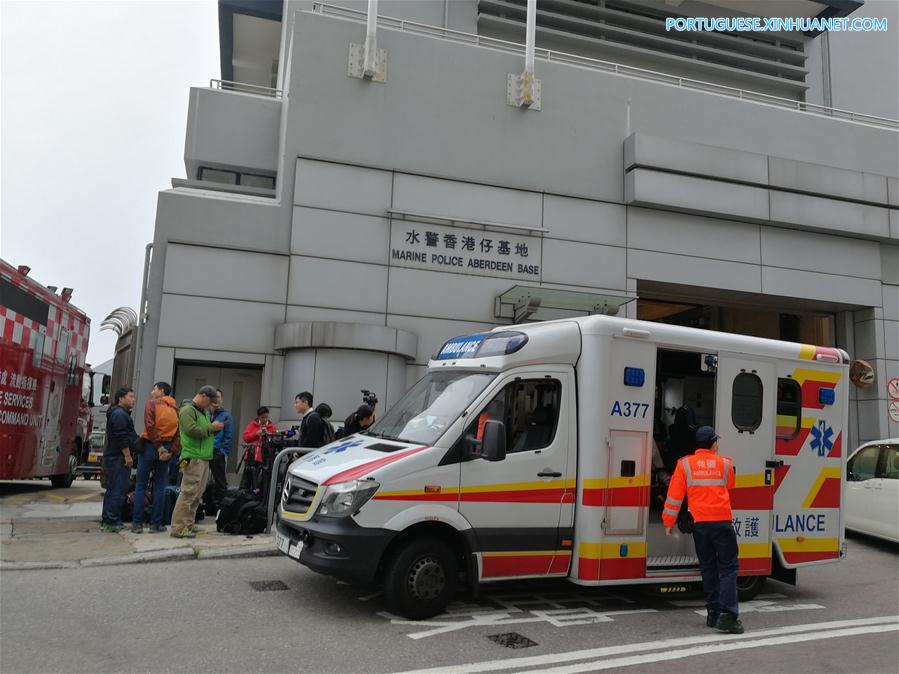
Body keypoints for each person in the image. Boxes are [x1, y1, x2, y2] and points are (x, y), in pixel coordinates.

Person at [662, 426, 743, 634]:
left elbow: (674, 496)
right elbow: (731, 485)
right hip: (722, 523)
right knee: (728, 568)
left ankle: (713, 613)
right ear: (714, 444)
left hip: (700, 525)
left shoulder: (684, 465)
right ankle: (728, 616)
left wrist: (669, 522)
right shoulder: (726, 464)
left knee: (708, 568)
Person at [170, 386, 224, 538]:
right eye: (210, 401)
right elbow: (191, 430)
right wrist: (211, 428)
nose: (211, 405)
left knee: (197, 493)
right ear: (203, 396)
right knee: (188, 493)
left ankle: (188, 524)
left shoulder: (201, 411)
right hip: (193, 457)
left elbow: (203, 431)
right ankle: (178, 528)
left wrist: (213, 429)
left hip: (203, 457)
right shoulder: (188, 410)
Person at [132, 382, 180, 533]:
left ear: (162, 391)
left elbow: (150, 425)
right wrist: (171, 452)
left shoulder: (152, 404)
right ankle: (156, 524)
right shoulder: (175, 408)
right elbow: (178, 433)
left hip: (149, 446)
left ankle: (137, 524)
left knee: (141, 485)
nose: (152, 392)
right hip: (166, 449)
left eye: (154, 389)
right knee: (160, 486)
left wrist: (158, 446)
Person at [100, 387, 137, 532]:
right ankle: (111, 521)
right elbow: (121, 437)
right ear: (120, 398)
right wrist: (127, 456)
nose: (133, 399)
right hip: (117, 458)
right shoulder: (119, 414)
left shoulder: (119, 413)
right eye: (130, 396)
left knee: (115, 489)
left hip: (116, 457)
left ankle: (110, 519)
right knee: (117, 490)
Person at [240, 407, 278, 492]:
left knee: (261, 480)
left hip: (264, 457)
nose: (265, 419)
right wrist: (256, 434)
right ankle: (245, 493)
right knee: (248, 478)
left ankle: (258, 494)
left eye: (266, 417)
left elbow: (274, 441)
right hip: (251, 456)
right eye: (262, 417)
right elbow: (246, 438)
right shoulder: (252, 424)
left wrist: (268, 435)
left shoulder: (272, 427)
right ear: (258, 416)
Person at [209, 388, 234, 511]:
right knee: (201, 480)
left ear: (222, 399)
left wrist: (223, 452)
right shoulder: (205, 413)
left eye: (218, 397)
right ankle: (207, 505)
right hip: (203, 451)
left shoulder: (226, 416)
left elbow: (229, 436)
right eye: (214, 396)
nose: (216, 399)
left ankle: (222, 508)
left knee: (220, 481)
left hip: (217, 452)